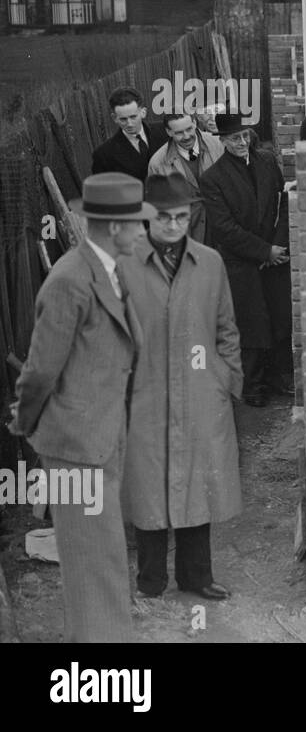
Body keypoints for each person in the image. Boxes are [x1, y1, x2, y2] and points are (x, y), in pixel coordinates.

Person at [8, 173, 152, 642]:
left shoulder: (110, 271)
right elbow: (40, 369)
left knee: (105, 557)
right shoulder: (69, 280)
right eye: (137, 224)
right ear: (113, 228)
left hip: (102, 438)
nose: (143, 232)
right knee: (92, 564)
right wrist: (25, 422)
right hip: (74, 445)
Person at [120, 173, 241, 602]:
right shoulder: (124, 265)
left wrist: (225, 380)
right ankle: (149, 579)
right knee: (148, 484)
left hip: (199, 391)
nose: (174, 226)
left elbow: (226, 327)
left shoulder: (209, 263)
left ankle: (196, 575)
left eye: (183, 217)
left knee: (196, 484)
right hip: (145, 391)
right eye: (165, 217)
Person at [199, 113, 292, 408]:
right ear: (222, 141)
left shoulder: (266, 161)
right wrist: (262, 251)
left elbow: (282, 202)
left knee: (280, 318)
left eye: (244, 136)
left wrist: (277, 246)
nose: (241, 143)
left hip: (275, 258)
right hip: (242, 262)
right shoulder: (212, 178)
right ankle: (253, 386)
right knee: (250, 325)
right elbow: (224, 228)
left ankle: (280, 377)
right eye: (233, 138)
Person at [147, 112, 224, 244]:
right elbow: (157, 209)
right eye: (179, 133)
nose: (187, 136)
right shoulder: (157, 163)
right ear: (168, 132)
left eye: (189, 129)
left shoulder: (219, 145)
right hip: (189, 235)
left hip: (224, 226)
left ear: (195, 123)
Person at [92, 87, 169, 182]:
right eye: (123, 119)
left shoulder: (166, 132)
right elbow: (104, 191)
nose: (129, 123)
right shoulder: (104, 154)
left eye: (133, 117)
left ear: (143, 112)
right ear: (114, 118)